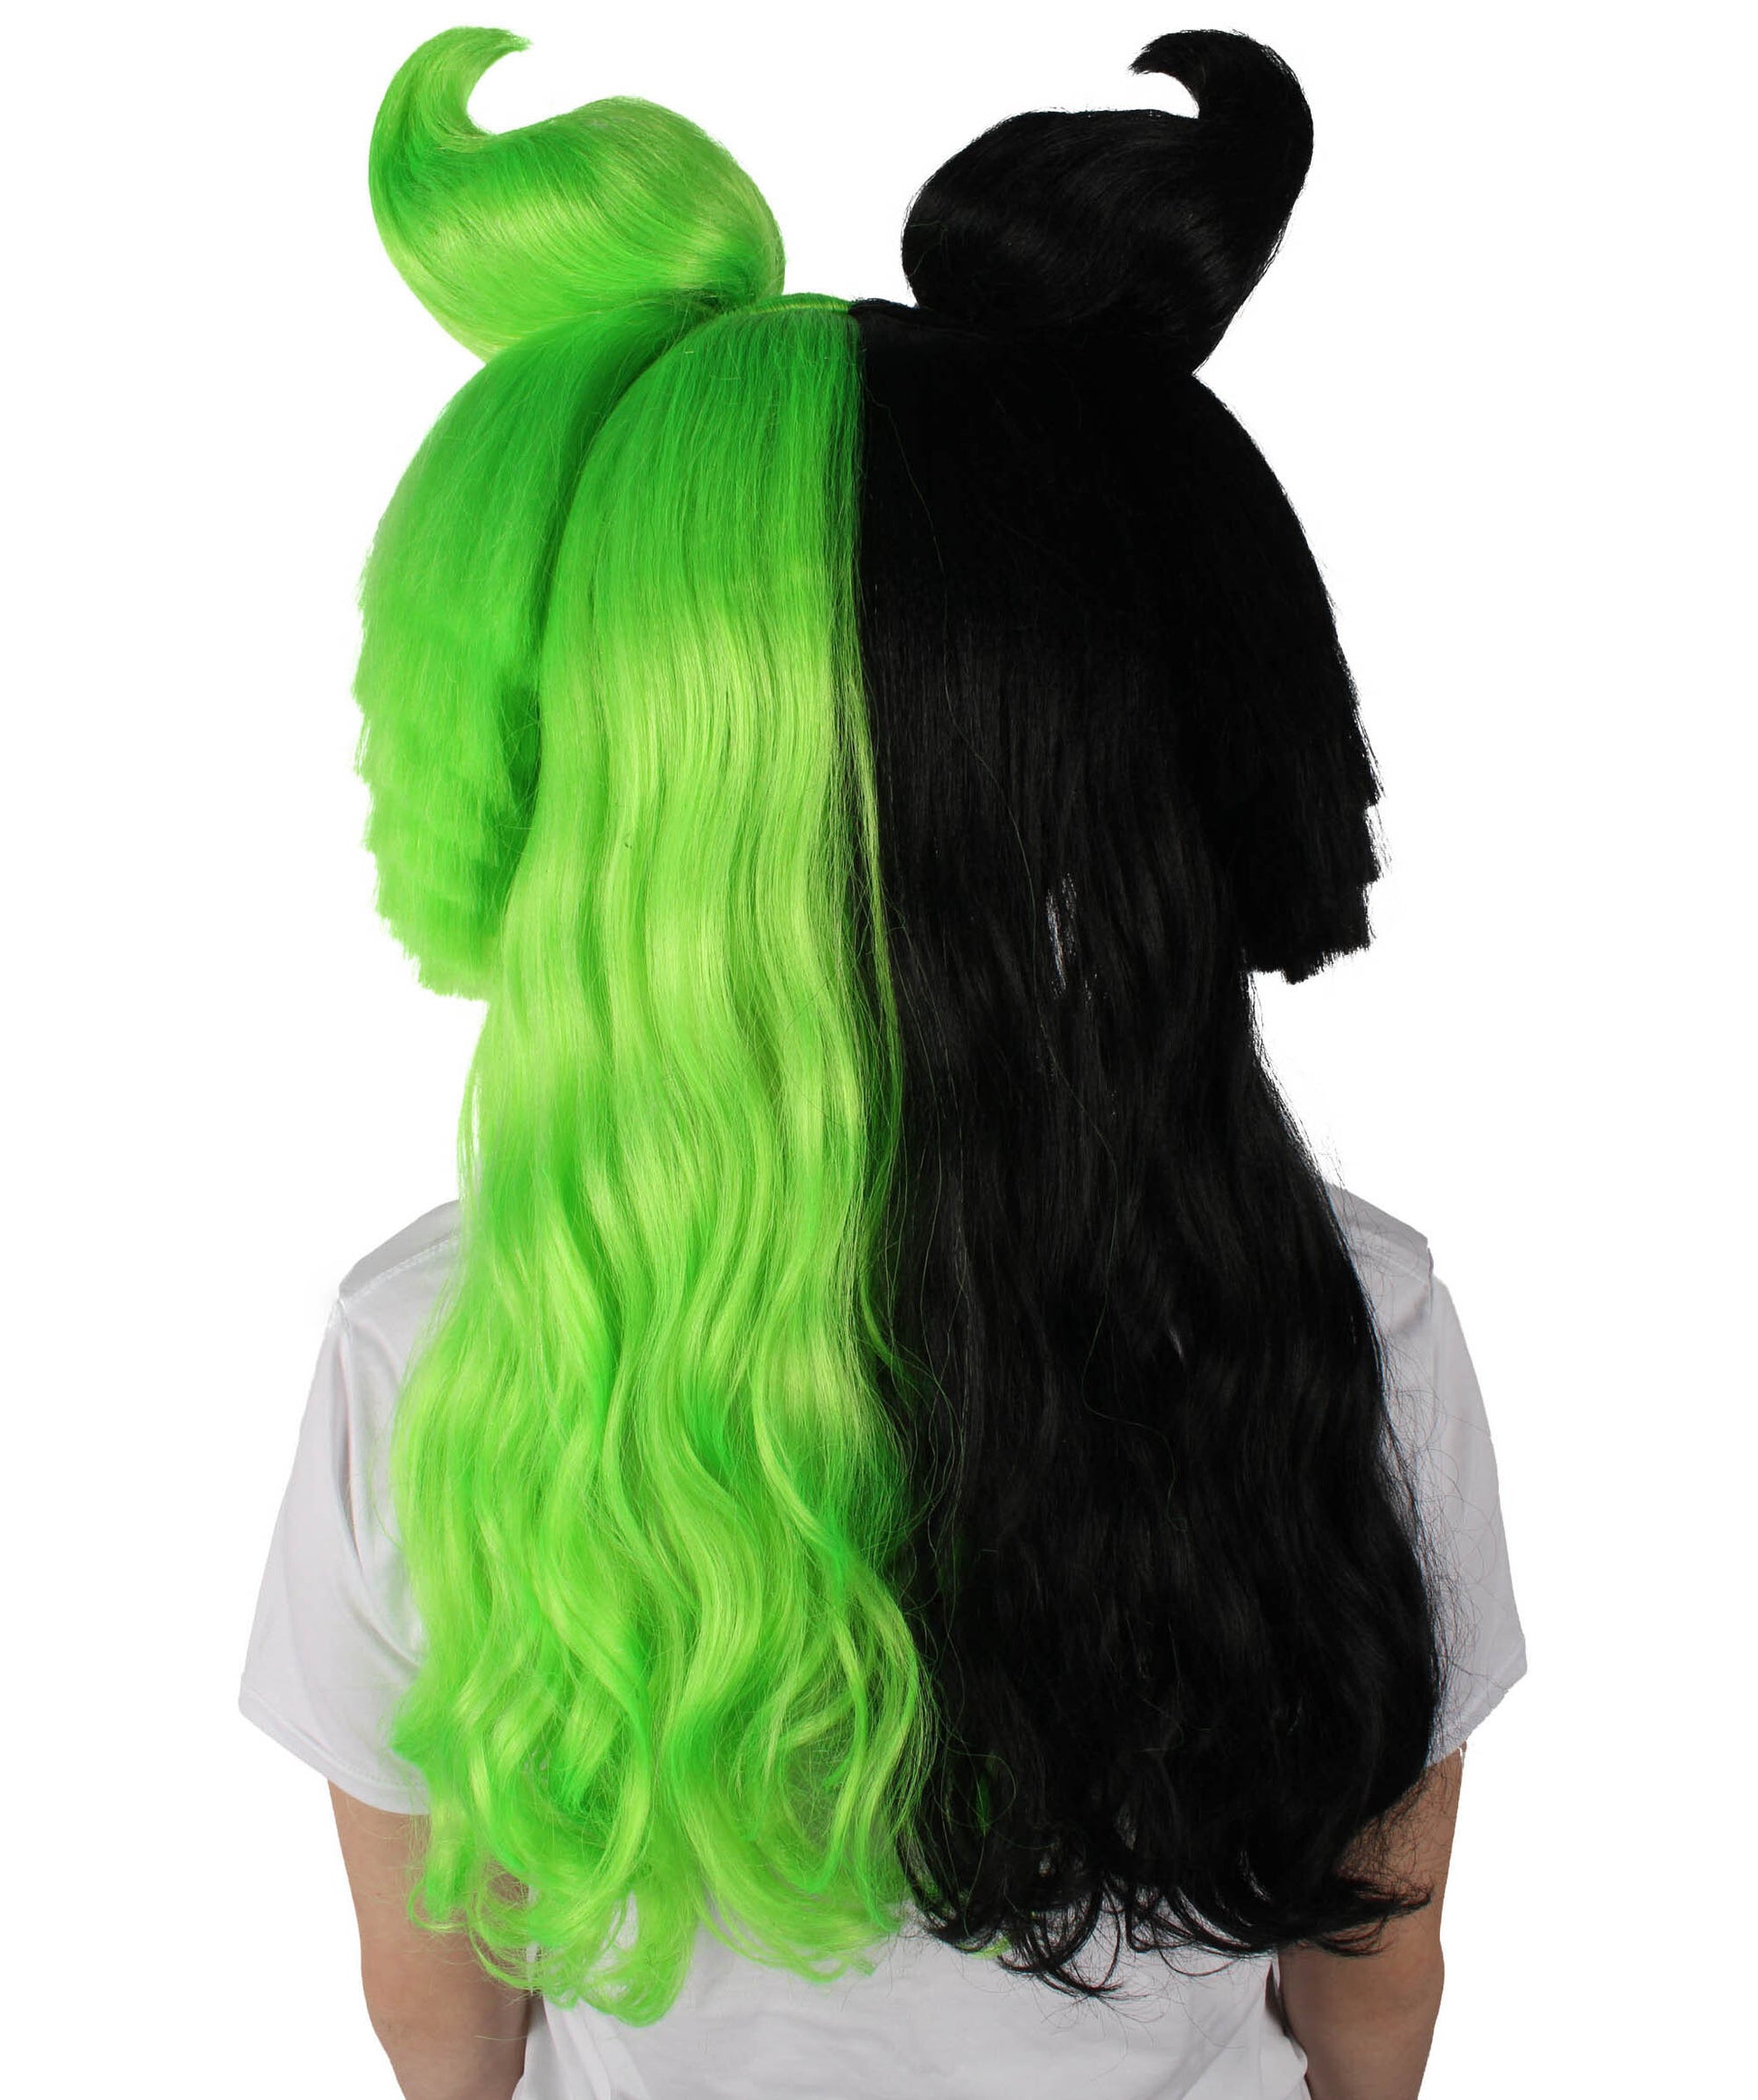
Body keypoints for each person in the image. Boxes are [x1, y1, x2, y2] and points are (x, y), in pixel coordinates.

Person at [238, 25, 1528, 2100]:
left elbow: (437, 1994)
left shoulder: (440, 1346)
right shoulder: (1343, 1313)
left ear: (609, 783)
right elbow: (1377, 1946)